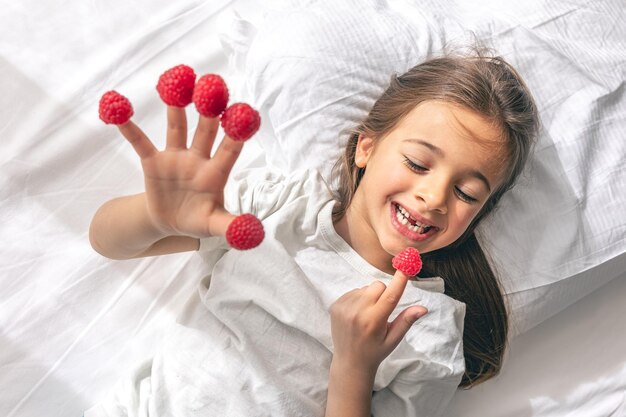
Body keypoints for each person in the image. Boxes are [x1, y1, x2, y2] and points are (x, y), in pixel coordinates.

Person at [86, 49, 539, 417]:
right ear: (367, 147)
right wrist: (161, 216)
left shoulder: (429, 333)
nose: (434, 196)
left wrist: (353, 368)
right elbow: (106, 241)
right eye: (418, 164)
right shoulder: (278, 207)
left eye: (466, 192)